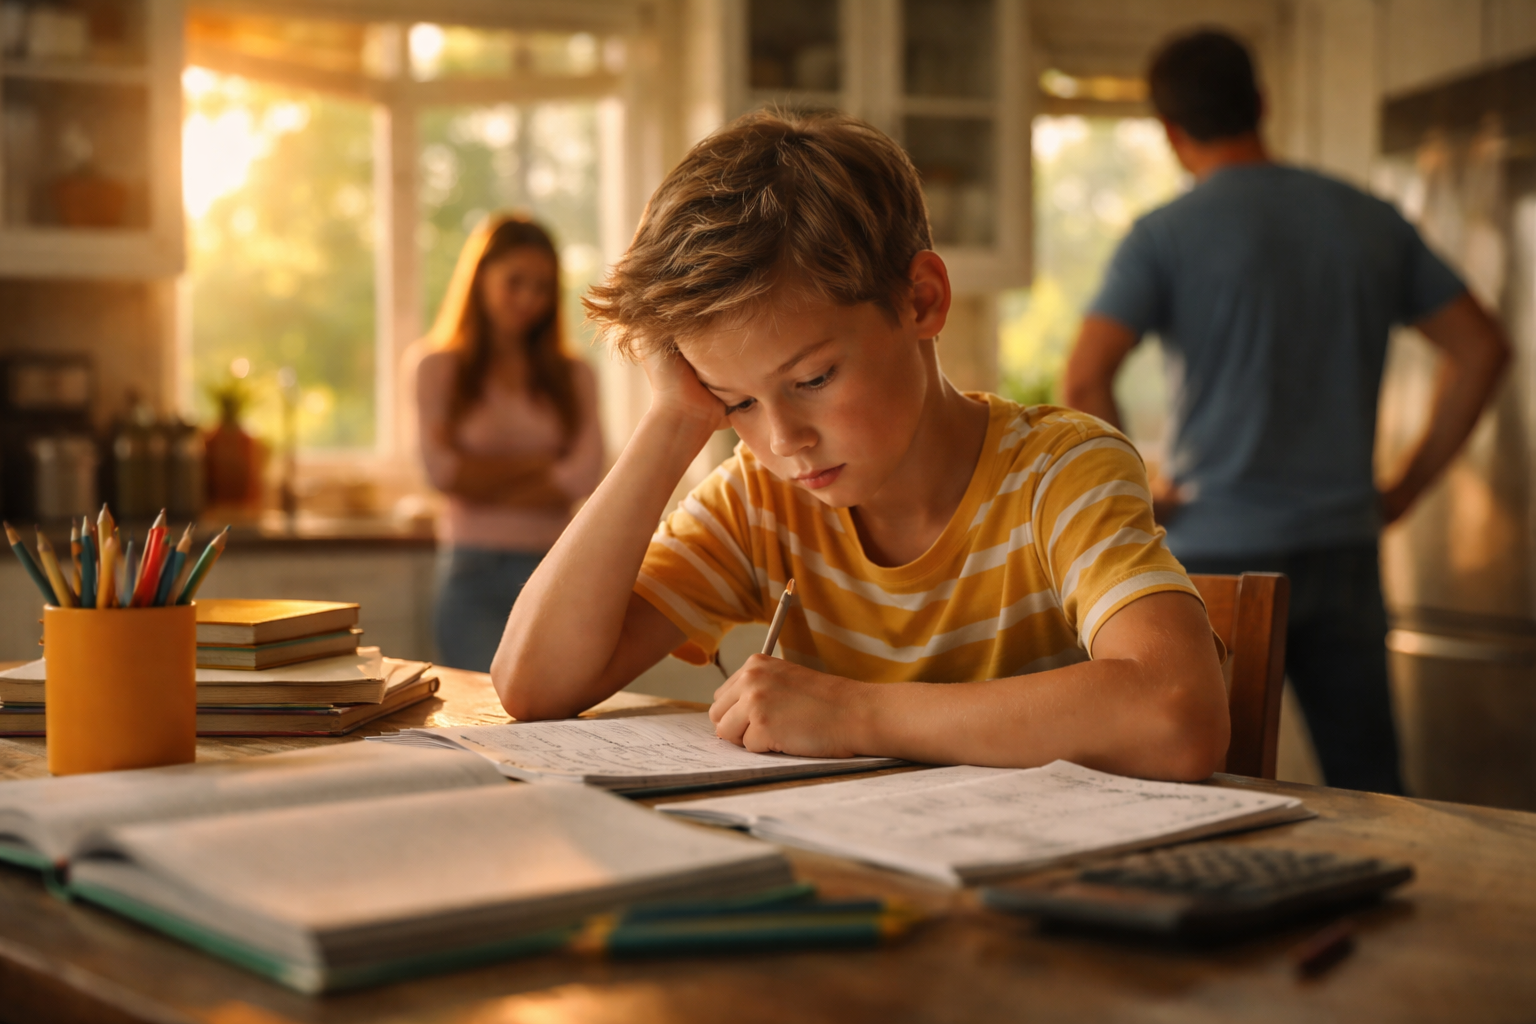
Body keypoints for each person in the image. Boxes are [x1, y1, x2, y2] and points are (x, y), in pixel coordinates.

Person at [491, 109, 1231, 781]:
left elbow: (1177, 714)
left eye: (813, 378)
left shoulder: (1057, 474)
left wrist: (855, 715)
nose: (784, 439)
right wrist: (674, 420)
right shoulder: (761, 499)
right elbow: (530, 683)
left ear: (922, 301)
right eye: (737, 401)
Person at [1061, 30, 1510, 794]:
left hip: (1217, 558)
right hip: (1343, 547)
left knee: (1198, 784)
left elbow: (1085, 377)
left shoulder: (1164, 235)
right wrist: (1402, 489)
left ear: (1170, 133)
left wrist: (1137, 492)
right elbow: (1482, 349)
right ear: (1262, 104)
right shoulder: (1369, 219)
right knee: (1371, 789)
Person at [415, 215, 604, 672]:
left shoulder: (574, 375)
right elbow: (441, 473)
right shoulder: (436, 368)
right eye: (514, 282)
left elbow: (583, 475)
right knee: (480, 724)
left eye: (542, 287)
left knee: (551, 725)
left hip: (555, 569)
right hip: (470, 575)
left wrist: (479, 475)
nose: (529, 299)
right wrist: (541, 464)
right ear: (480, 277)